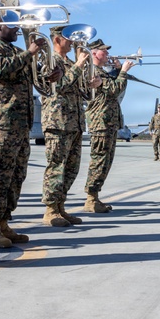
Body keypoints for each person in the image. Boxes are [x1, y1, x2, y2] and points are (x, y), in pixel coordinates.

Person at [0, 7, 54, 247]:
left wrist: (51, 74)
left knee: (15, 178)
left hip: (20, 126)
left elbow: (37, 79)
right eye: (12, 24)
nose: (18, 27)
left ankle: (3, 223)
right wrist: (30, 52)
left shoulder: (17, 51)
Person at [39, 26, 93, 227]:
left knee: (71, 169)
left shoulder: (70, 62)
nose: (72, 42)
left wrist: (91, 83)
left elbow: (82, 92)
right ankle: (50, 209)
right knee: (56, 167)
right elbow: (58, 87)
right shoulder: (49, 60)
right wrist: (79, 65)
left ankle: (61, 206)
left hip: (75, 122)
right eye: (67, 38)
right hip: (57, 121)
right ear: (57, 39)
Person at [83, 40, 134, 212]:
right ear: (94, 54)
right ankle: (91, 198)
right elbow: (114, 89)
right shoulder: (93, 72)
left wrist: (119, 70)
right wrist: (124, 72)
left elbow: (114, 89)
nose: (108, 55)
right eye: (104, 52)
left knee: (105, 162)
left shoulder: (102, 73)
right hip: (100, 122)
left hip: (108, 123)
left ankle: (94, 197)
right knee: (99, 161)